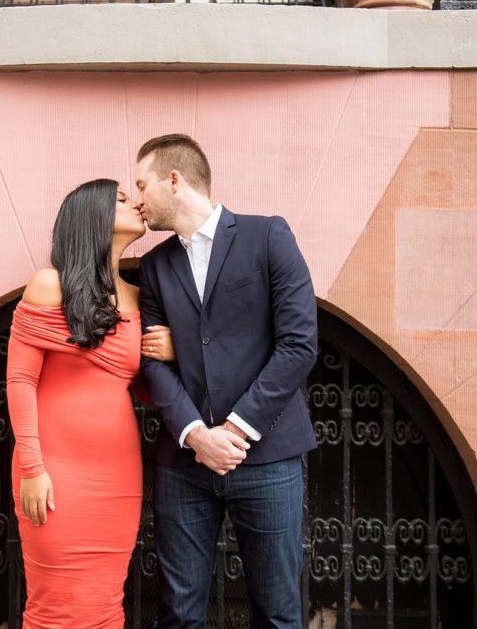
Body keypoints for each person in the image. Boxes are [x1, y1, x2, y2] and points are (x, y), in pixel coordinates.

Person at [134, 134, 319, 629]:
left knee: (278, 614)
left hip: (267, 457)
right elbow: (153, 361)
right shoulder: (154, 266)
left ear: (174, 181)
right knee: (178, 615)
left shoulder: (267, 237)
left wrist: (233, 432)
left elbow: (299, 344)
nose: (137, 200)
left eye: (142, 185)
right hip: (184, 466)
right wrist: (197, 435)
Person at [5, 178, 173, 628]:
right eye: (121, 199)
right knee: (54, 605)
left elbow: (149, 392)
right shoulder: (48, 286)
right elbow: (20, 381)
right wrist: (33, 469)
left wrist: (170, 355)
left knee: (104, 603)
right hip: (55, 472)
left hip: (117, 475)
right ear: (93, 216)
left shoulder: (138, 301)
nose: (135, 203)